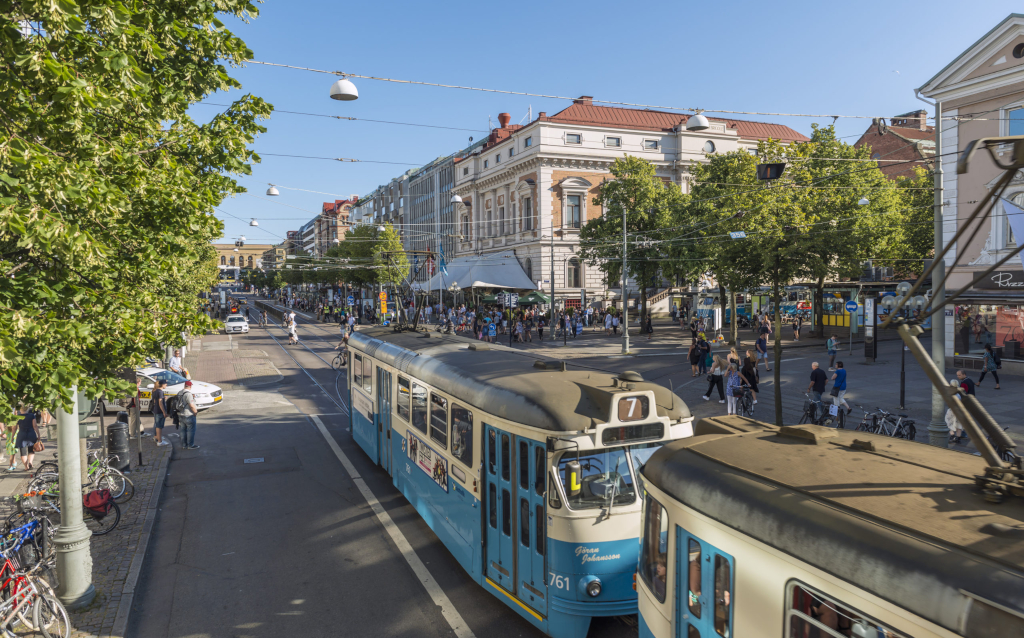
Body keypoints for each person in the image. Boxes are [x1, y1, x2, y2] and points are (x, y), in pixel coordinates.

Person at [11, 405, 39, 471]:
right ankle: (30, 462)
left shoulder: (17, 417)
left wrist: (12, 437)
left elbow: (14, 428)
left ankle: (26, 467)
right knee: (31, 450)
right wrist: (39, 435)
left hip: (21, 434)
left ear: (20, 409)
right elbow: (35, 426)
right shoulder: (32, 416)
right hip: (31, 433)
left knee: (23, 452)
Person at [179, 380, 200, 449]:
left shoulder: (180, 392)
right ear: (190, 386)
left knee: (183, 430)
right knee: (191, 430)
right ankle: (190, 445)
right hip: (188, 414)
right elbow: (191, 405)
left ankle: (184, 445)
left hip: (181, 414)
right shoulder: (188, 394)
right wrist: (195, 412)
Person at [151, 379, 170, 446]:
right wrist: (164, 412)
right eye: (165, 384)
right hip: (159, 411)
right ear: (162, 385)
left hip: (155, 410)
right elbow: (160, 402)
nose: (166, 385)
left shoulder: (155, 391)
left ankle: (157, 437)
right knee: (159, 426)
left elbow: (155, 401)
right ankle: (159, 441)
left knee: (157, 425)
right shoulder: (160, 392)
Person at [946, 379, 966, 444]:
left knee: (949, 423)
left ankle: (952, 436)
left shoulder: (952, 393)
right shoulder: (958, 393)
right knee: (958, 425)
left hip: (952, 410)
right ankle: (958, 438)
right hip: (960, 410)